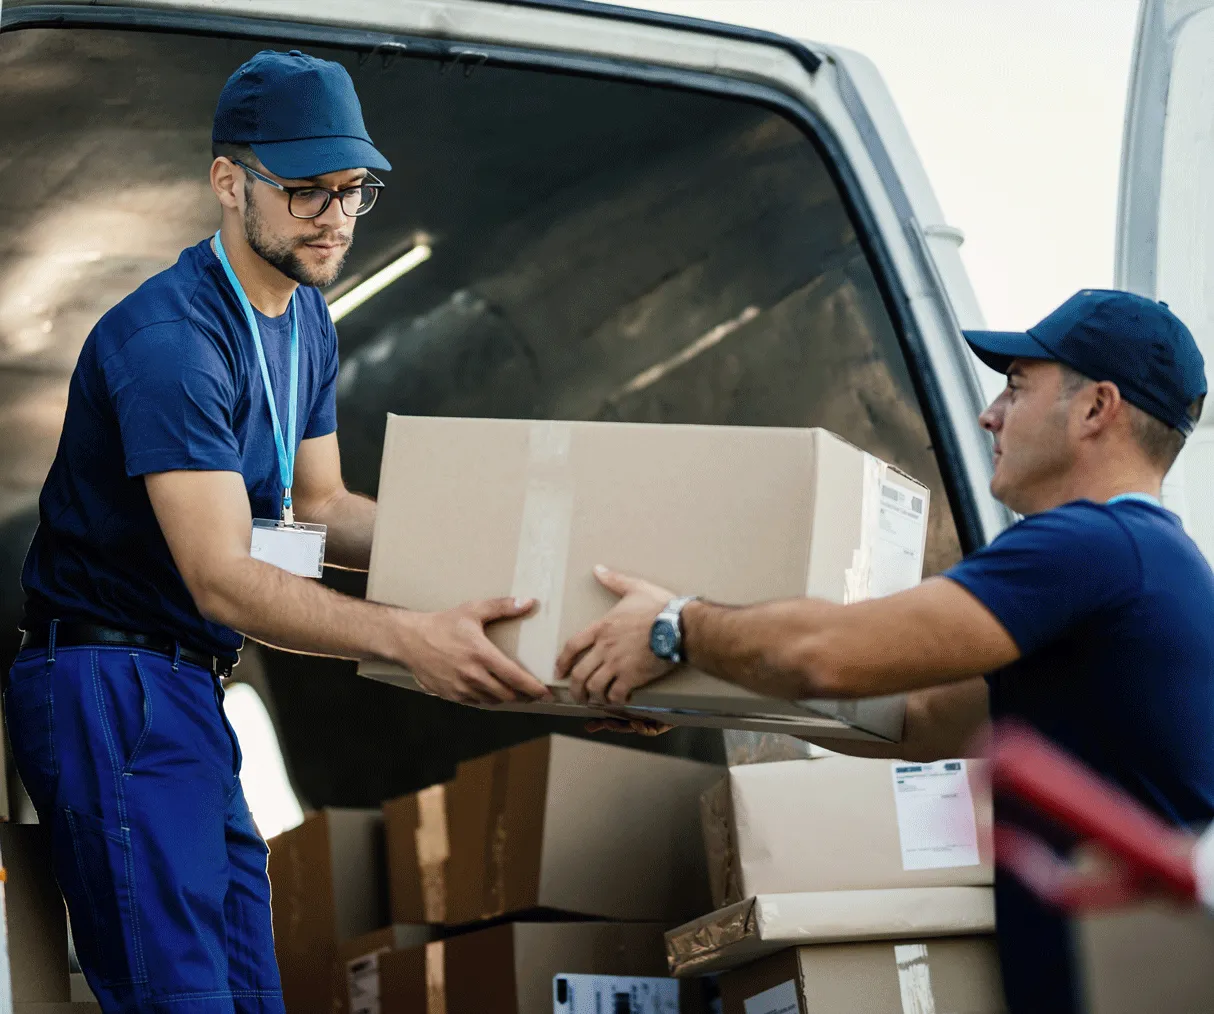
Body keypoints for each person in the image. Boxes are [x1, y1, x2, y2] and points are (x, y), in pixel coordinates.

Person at [5, 50, 549, 1014]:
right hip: (114, 684)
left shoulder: (306, 320)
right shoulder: (171, 343)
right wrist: (409, 637)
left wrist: (505, 564)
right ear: (228, 181)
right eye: (305, 191)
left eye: (353, 190)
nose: (334, 215)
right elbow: (221, 576)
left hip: (188, 687)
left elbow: (326, 507)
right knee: (183, 996)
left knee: (252, 988)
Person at [555, 289, 1214, 1014]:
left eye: (1017, 387)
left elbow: (827, 655)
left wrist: (676, 625)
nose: (989, 413)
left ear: (1096, 409)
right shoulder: (1154, 566)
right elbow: (918, 719)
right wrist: (699, 687)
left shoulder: (1093, 546)